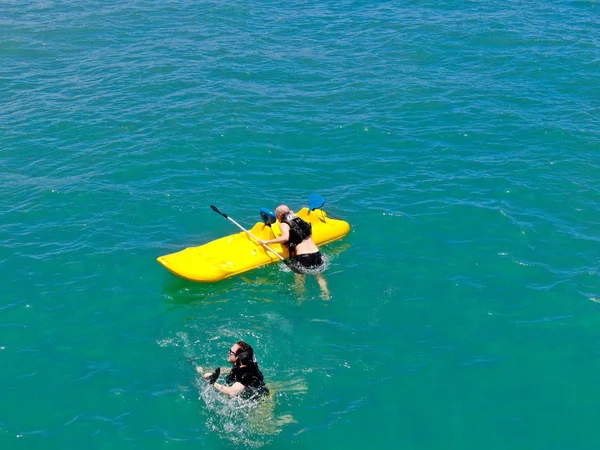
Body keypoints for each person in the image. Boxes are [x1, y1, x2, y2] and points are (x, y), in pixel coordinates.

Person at [260, 204, 330, 300]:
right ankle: (326, 294)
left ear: (279, 216)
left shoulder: (283, 224)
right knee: (319, 276)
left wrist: (267, 242)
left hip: (303, 256)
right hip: (316, 253)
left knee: (300, 279)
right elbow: (292, 215)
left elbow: (285, 238)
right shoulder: (298, 218)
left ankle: (300, 299)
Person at [198, 341, 269, 400]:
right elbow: (229, 370)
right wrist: (204, 370)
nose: (228, 353)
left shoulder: (245, 375)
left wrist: (212, 381)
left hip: (258, 402)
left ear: (238, 357)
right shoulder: (242, 364)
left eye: (231, 352)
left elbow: (231, 392)